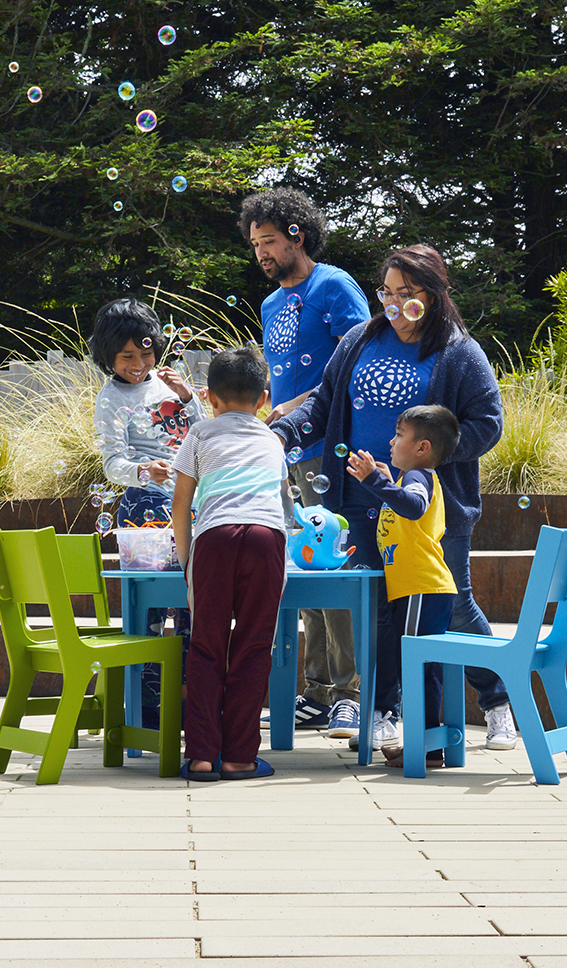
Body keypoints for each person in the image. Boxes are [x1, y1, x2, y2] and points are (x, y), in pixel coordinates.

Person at [269, 243, 517, 752]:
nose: (395, 303)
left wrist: (425, 461)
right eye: (387, 292)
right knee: (382, 611)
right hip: (360, 502)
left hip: (431, 509)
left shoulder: (459, 352)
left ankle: (496, 702)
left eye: (408, 293)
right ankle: (385, 713)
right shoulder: (359, 340)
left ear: (435, 293)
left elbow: (488, 424)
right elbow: (323, 401)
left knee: (454, 607)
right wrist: (284, 433)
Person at [239, 188, 370, 737]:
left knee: (333, 571)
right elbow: (284, 379)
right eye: (254, 244)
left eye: (268, 241)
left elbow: (360, 358)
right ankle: (316, 690)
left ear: (297, 234)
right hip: (287, 455)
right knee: (302, 570)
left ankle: (352, 693)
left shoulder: (334, 285)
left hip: (331, 452)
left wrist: (296, 407)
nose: (261, 253)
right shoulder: (271, 304)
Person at [171, 347, 294, 781]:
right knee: (254, 645)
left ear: (211, 398)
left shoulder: (200, 435)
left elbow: (181, 504)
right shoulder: (272, 440)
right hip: (265, 539)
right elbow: (285, 510)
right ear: (263, 399)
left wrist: (188, 563)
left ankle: (203, 755)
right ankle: (240, 756)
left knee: (207, 644)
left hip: (215, 539)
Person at [89, 297, 203, 724]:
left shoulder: (169, 384)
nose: (139, 364)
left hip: (188, 504)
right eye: (127, 357)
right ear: (108, 356)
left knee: (195, 604)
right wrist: (142, 470)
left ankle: (193, 702)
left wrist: (188, 398)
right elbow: (111, 462)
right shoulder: (110, 398)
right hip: (145, 512)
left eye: (147, 352)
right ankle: (149, 710)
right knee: (151, 612)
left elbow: (203, 432)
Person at [345, 405, 458, 768]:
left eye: (398, 435)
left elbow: (412, 507)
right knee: (417, 668)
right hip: (418, 591)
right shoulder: (408, 478)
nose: (391, 442)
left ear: (422, 448)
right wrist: (386, 481)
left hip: (419, 590)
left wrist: (375, 482)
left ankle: (424, 749)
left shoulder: (420, 477)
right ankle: (427, 745)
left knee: (414, 667)